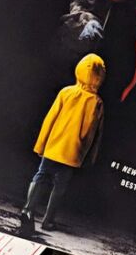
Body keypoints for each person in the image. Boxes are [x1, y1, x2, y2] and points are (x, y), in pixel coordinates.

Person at [20, 53, 106, 234]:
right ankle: (48, 220)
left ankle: (28, 209)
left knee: (41, 176)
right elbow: (96, 135)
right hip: (74, 152)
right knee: (60, 186)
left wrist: (40, 144)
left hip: (53, 146)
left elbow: (50, 120)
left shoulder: (66, 92)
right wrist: (90, 158)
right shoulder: (97, 102)